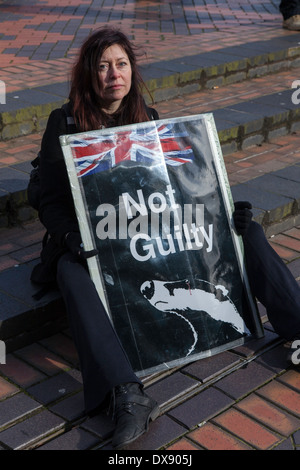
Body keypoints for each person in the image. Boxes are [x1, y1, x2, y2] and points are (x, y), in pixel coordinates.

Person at [34, 27, 300, 449]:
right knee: (70, 269)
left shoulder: (149, 119)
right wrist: (69, 236)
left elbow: (174, 188)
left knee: (242, 228)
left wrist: (222, 207)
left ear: (131, 71)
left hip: (150, 232)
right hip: (93, 240)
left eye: (120, 64)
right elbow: (47, 198)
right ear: (89, 74)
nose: (112, 74)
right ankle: (125, 394)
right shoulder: (62, 122)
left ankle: (297, 325)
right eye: (102, 66)